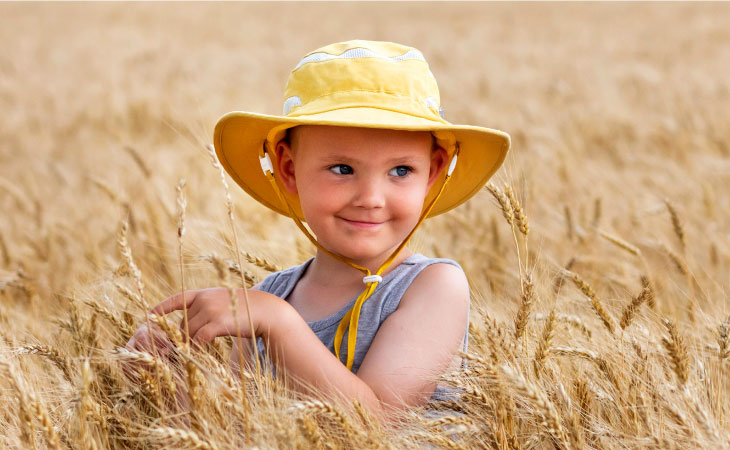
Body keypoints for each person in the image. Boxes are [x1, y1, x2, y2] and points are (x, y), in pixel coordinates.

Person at [126, 40, 510, 419]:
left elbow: (376, 428)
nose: (371, 198)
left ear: (434, 172)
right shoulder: (267, 297)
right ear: (289, 169)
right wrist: (172, 378)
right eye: (343, 169)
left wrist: (278, 324)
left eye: (401, 171)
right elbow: (237, 432)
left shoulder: (433, 287)